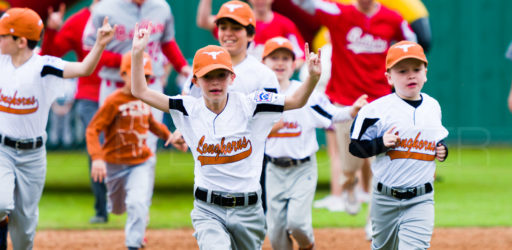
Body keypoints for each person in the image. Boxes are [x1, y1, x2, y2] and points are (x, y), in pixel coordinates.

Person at [131, 20, 321, 249]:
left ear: (232, 78)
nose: (215, 82)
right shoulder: (187, 108)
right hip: (208, 209)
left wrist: (312, 78)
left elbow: (296, 100)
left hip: (248, 211)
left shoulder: (251, 105)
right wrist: (137, 52)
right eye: (207, 76)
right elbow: (139, 90)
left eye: (221, 75)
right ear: (195, 81)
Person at [0, 7, 114, 249]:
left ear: (21, 41)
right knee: (0, 203)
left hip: (32, 157)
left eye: (3, 36)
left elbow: (84, 69)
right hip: (3, 151)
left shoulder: (44, 66)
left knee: (24, 232)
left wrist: (100, 44)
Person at [292, 0, 418, 215]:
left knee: (382, 162)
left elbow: (413, 42)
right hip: (346, 102)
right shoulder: (339, 12)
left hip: (380, 101)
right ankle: (349, 183)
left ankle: (373, 220)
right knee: (350, 164)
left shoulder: (392, 18)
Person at [261, 37, 368, 250]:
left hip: (302, 169)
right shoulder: (259, 96)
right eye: (274, 58)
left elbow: (331, 113)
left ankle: (308, 246)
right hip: (273, 170)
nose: (280, 63)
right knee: (275, 234)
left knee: (298, 224)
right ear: (264, 62)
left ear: (294, 64)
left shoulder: (306, 93)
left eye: (285, 58)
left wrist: (351, 110)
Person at [349, 40, 448, 249]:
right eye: (402, 71)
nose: (410, 75)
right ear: (389, 78)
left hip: (421, 198)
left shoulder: (433, 106)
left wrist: (442, 150)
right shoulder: (375, 110)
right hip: (385, 198)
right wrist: (380, 143)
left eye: (416, 69)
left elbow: (436, 140)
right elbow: (355, 146)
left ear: (425, 73)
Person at [186, 0, 281, 212]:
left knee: (251, 216)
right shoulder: (202, 66)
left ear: (250, 34)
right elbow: (189, 107)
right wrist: (180, 133)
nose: (228, 33)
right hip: (211, 158)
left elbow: (276, 119)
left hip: (249, 159)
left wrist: (240, 135)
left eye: (236, 27)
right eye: (223, 27)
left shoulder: (263, 74)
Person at [86, 51, 183, 250]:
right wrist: (97, 157)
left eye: (146, 77)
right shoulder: (113, 101)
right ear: (123, 75)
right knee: (118, 207)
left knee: (137, 204)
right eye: (136, 74)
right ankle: (128, 214)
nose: (142, 80)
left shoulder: (145, 99)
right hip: (114, 164)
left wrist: (170, 137)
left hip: (140, 161)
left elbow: (152, 124)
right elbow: (92, 129)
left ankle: (133, 244)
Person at [41, 0, 116, 224]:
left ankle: (129, 205)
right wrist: (52, 29)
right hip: (90, 94)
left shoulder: (126, 15)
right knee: (97, 148)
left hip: (122, 92)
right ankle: (102, 210)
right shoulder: (78, 21)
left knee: (125, 148)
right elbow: (49, 55)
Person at [196, 0, 306, 67]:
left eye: (236, 29)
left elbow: (300, 56)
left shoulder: (285, 24)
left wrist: (280, 67)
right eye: (224, 28)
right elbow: (204, 22)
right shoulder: (237, 20)